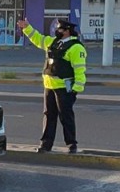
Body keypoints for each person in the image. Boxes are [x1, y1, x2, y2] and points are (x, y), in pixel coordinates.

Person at [17, 18, 87, 154]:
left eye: (60, 29)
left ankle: (72, 144)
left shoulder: (76, 47)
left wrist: (76, 88)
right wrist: (26, 28)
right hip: (49, 85)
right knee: (49, 115)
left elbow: (80, 69)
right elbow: (38, 39)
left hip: (64, 87)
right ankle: (46, 144)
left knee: (65, 116)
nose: (57, 31)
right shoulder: (53, 42)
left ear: (67, 31)